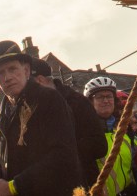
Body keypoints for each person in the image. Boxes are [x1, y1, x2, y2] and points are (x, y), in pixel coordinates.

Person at [0, 40, 81, 196]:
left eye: (12, 69)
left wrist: (13, 187)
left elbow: (63, 156)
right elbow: (11, 162)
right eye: (1, 73)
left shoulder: (48, 99)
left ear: (26, 70)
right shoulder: (4, 110)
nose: (7, 77)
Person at [33, 59, 107, 188]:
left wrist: (60, 154)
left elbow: (99, 145)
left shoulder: (77, 102)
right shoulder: (33, 109)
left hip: (83, 185)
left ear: (40, 80)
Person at [84, 76, 137, 196]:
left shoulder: (125, 129)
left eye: (109, 96)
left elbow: (136, 167)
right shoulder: (85, 135)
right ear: (90, 102)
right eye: (99, 97)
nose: (106, 100)